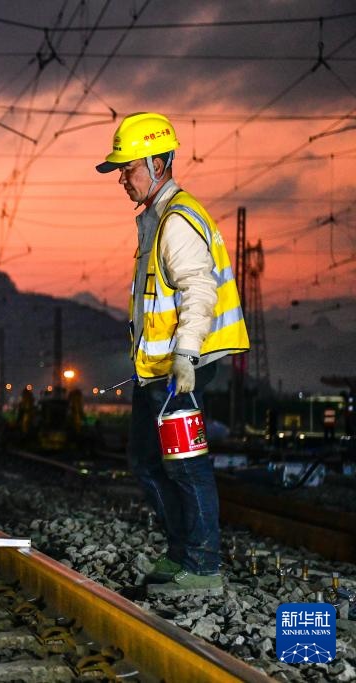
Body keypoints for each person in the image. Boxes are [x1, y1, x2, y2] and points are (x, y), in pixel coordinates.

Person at [96, 113, 249, 596]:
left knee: (185, 465)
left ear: (159, 163)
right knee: (145, 460)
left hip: (182, 370)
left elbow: (198, 289)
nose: (122, 177)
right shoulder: (157, 219)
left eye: (129, 168)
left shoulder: (178, 221)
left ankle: (202, 567)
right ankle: (183, 551)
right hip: (158, 370)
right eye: (120, 169)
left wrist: (185, 358)